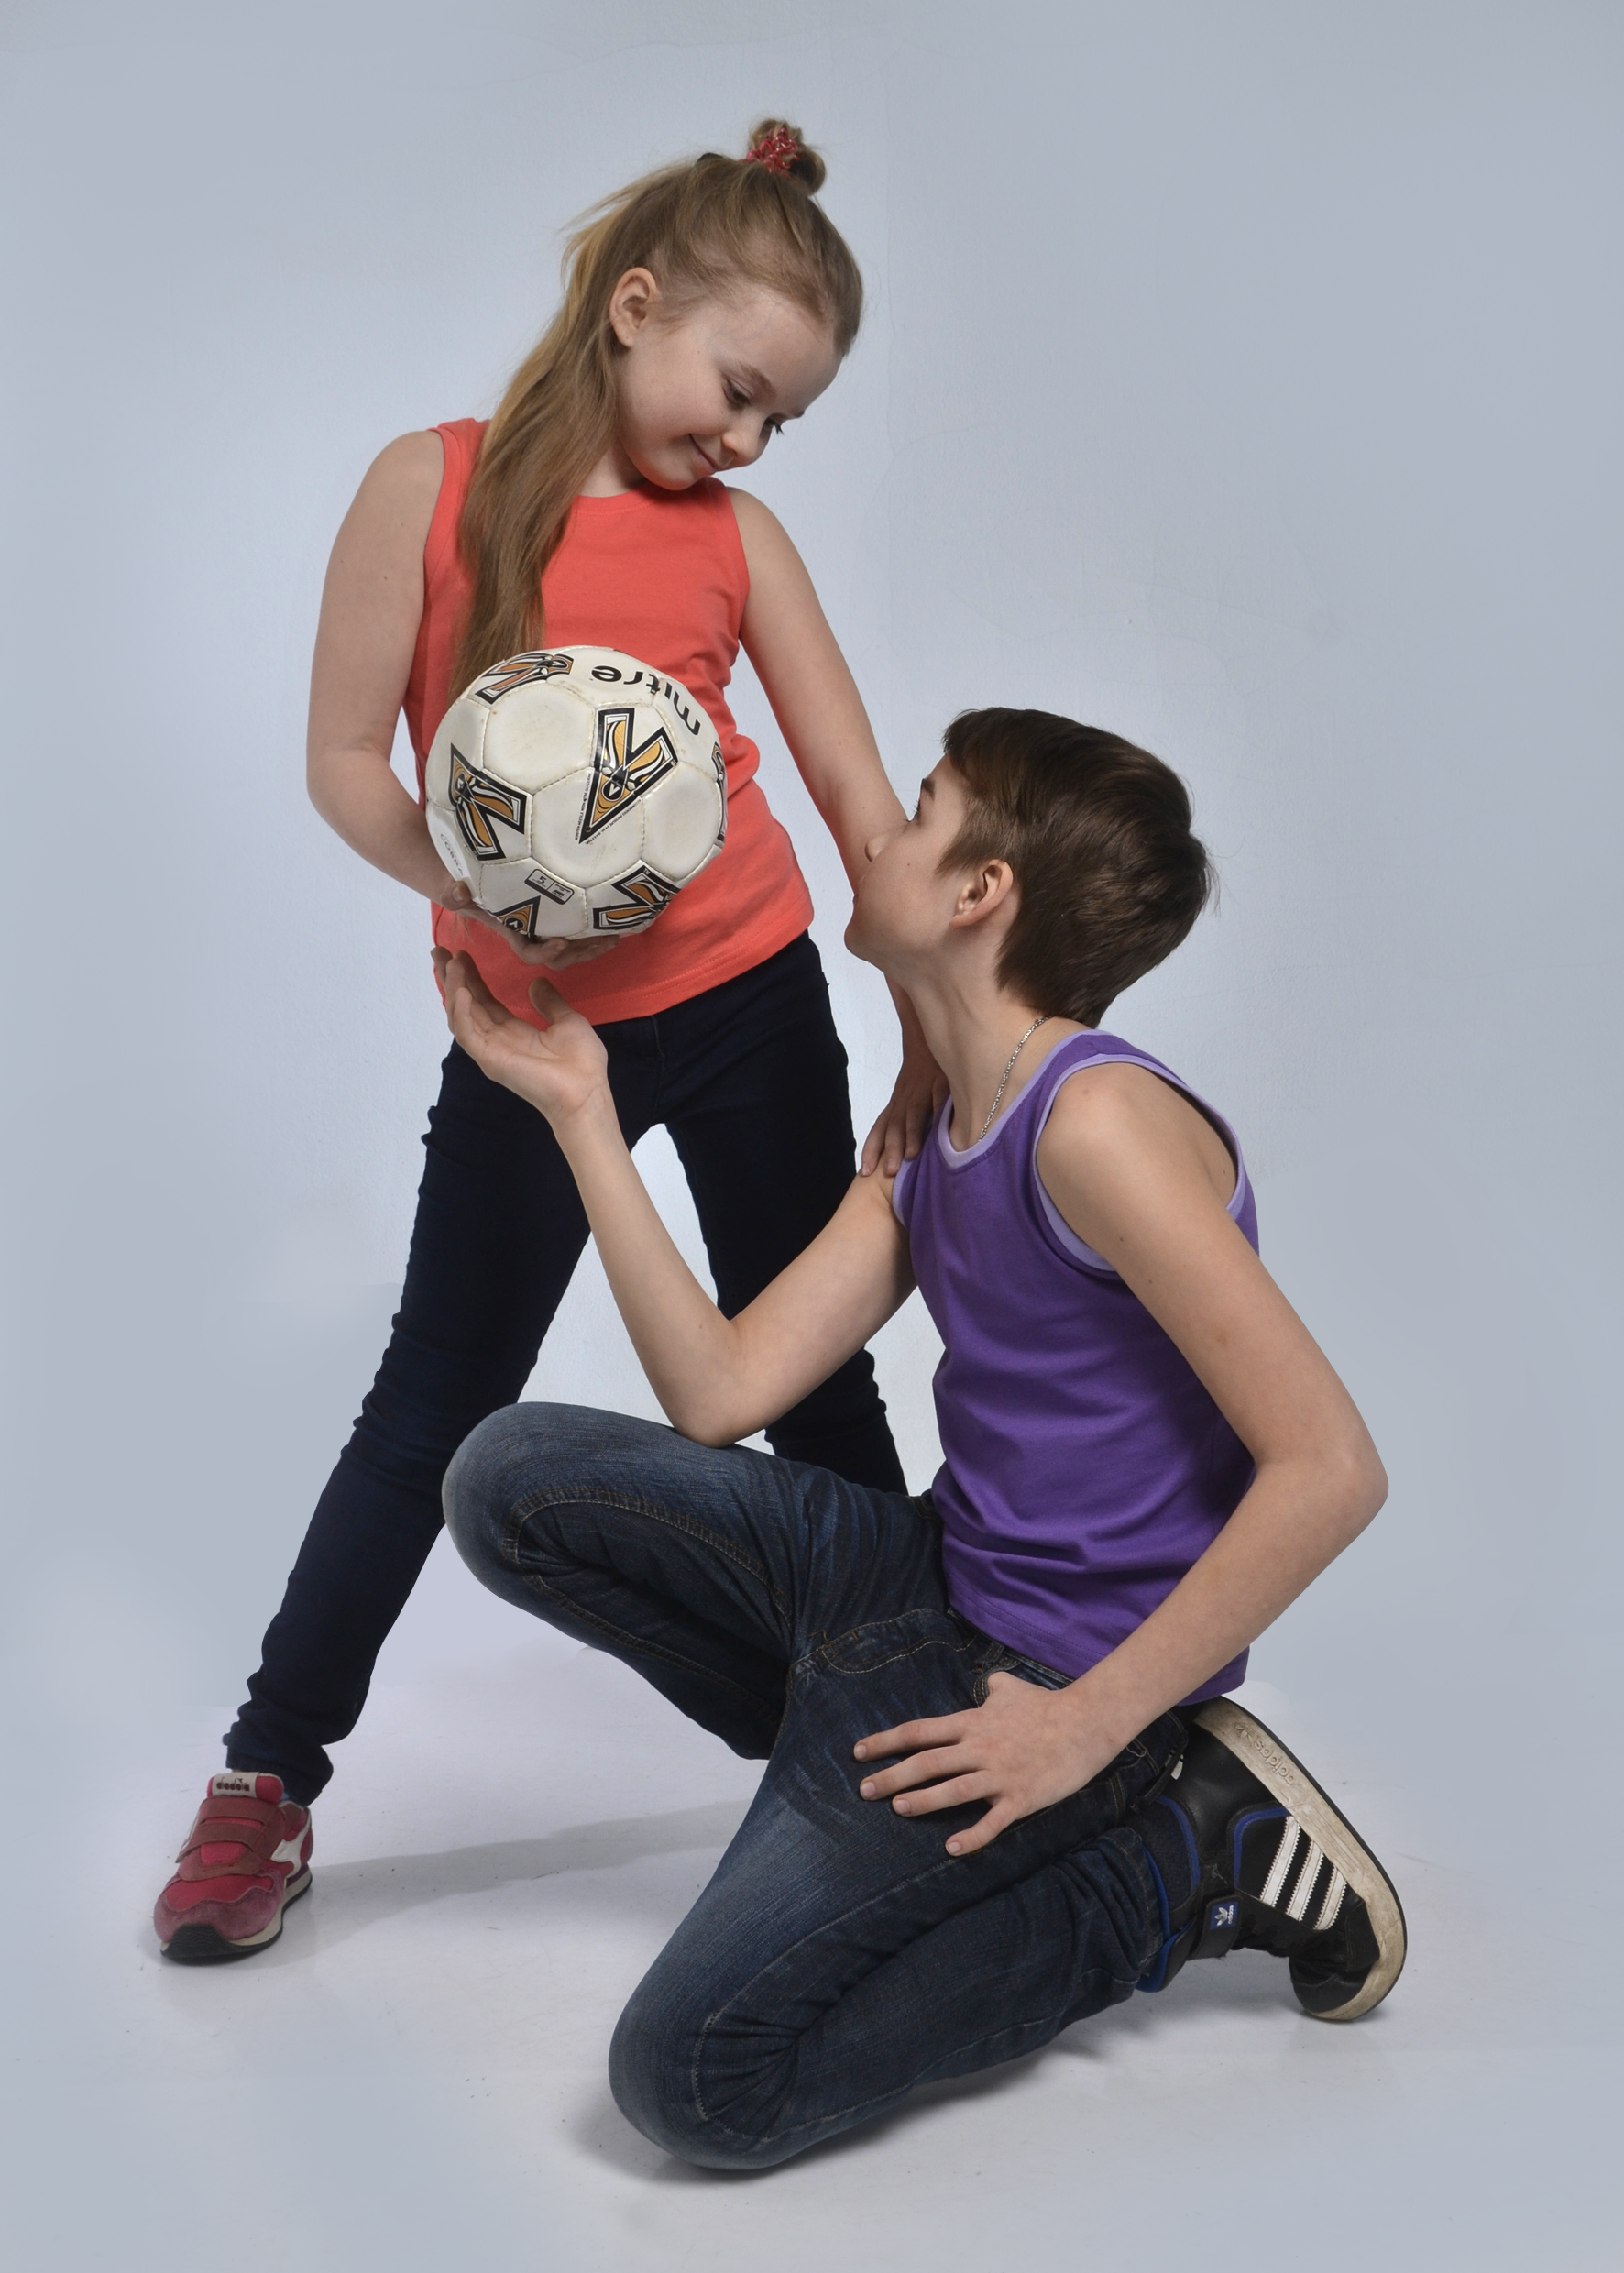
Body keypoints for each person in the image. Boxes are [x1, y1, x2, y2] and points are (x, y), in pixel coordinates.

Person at [153, 122, 942, 1962]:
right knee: (434, 1400)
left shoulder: (738, 542)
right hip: (532, 1035)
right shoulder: (426, 487)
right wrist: (479, 884)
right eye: (738, 391)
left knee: (816, 1386)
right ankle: (267, 1777)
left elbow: (855, 800)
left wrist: (933, 1038)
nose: (749, 443)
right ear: (633, 305)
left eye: (784, 420)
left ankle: (898, 1743)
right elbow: (344, 758)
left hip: (748, 1000)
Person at [435, 707, 1406, 2169]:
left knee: (697, 2081)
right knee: (508, 1478)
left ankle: (1180, 1857)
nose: (880, 831)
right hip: (918, 1585)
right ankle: (843, 1758)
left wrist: (1086, 1726)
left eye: (924, 807)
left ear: (979, 893)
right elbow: (720, 1392)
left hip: (1055, 1684)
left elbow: (1331, 1468)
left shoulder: (1095, 1125)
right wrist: (584, 1108)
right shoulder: (942, 1129)